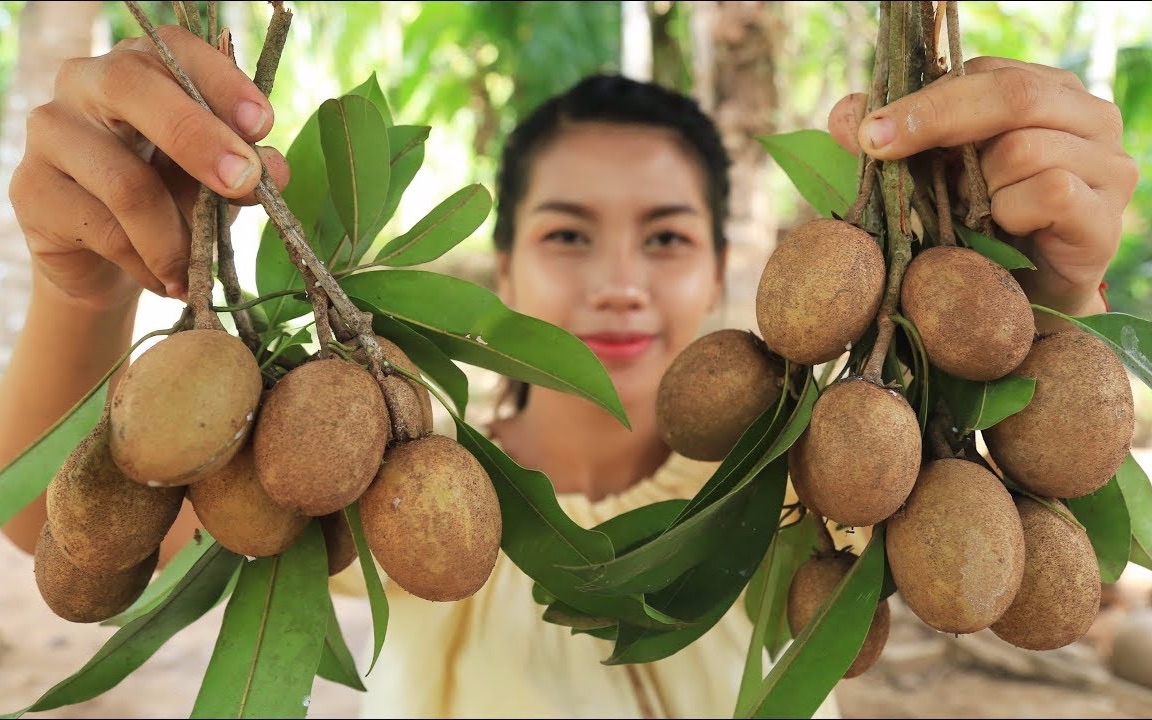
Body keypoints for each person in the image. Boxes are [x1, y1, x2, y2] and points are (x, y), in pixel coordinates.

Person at [0, 20, 1136, 719]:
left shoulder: (792, 486)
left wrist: (1040, 302)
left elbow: (1015, 551)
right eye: (567, 234)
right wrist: (86, 284)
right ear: (498, 264)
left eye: (667, 237)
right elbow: (67, 523)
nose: (619, 282)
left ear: (730, 270)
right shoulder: (388, 476)